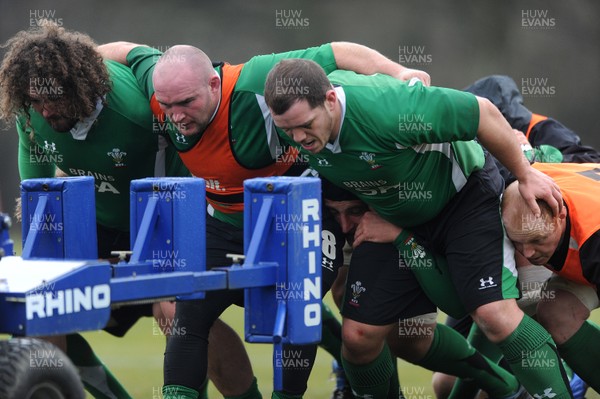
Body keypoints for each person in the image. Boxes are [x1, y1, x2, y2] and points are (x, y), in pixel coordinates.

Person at [98, 40, 430, 399]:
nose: (176, 115)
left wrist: (400, 72)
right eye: (167, 105)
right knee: (187, 310)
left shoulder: (254, 80)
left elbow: (337, 52)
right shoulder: (158, 81)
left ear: (213, 85)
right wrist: (59, 57)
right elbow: (128, 51)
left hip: (298, 216)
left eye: (186, 103)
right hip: (225, 222)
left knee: (295, 304)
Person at [263, 58, 574, 398]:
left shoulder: (391, 109)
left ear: (331, 100)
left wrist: (525, 175)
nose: (297, 137)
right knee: (359, 337)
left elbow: (482, 112)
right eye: (287, 129)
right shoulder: (288, 122)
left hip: (463, 201)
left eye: (305, 125)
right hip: (394, 217)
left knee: (494, 316)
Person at [0, 23, 252, 399]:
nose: (45, 110)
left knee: (177, 310)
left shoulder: (139, 111)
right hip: (100, 222)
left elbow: (148, 62)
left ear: (83, 87)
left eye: (53, 99)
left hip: (165, 218)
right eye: (36, 102)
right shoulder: (32, 112)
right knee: (42, 301)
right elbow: (37, 190)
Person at [432, 74, 599, 399]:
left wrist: (532, 154)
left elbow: (584, 161)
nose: (531, 251)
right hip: (508, 265)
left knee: (529, 314)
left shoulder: (541, 139)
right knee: (444, 384)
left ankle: (564, 376)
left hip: (575, 248)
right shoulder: (471, 156)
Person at [321, 179, 531, 399]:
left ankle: (505, 384)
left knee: (411, 341)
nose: (344, 225)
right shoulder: (331, 199)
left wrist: (402, 238)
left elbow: (456, 305)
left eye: (354, 211)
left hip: (401, 219)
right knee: (355, 318)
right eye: (336, 213)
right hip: (359, 219)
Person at [502, 162, 600, 394]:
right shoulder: (528, 178)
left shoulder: (594, 242)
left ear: (560, 215)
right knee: (557, 312)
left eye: (537, 240)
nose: (527, 253)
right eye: (518, 241)